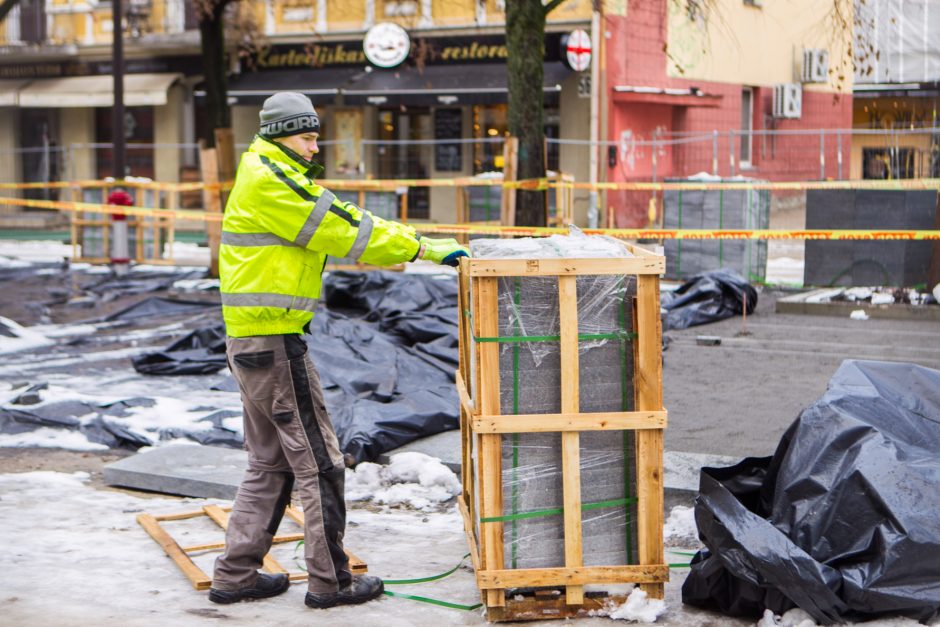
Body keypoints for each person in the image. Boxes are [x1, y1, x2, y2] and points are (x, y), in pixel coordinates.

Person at [209, 92, 468, 609]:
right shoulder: (270, 179)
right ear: (282, 132)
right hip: (274, 342)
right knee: (322, 464)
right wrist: (424, 247)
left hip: (253, 339)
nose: (314, 144)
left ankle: (234, 575)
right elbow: (346, 230)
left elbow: (342, 214)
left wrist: (411, 241)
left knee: (270, 462)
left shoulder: (273, 172)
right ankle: (332, 582)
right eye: (307, 135)